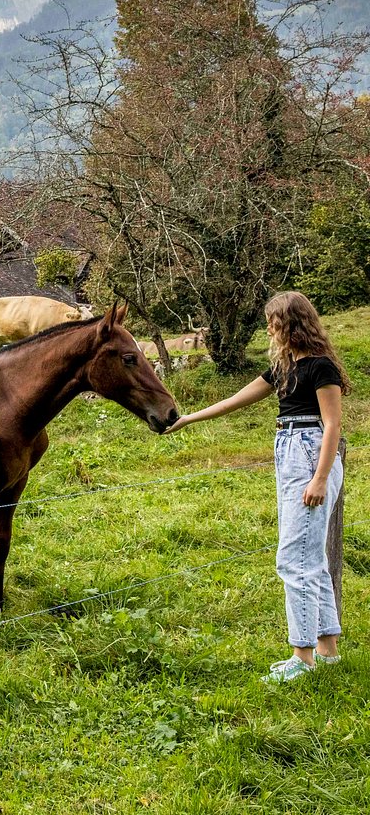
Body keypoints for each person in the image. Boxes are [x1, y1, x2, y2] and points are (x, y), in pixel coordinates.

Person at [167, 291, 347, 683]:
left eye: (273, 321)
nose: (268, 328)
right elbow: (237, 399)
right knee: (309, 556)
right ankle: (327, 649)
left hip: (310, 451)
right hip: (288, 449)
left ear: (290, 322)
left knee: (293, 558)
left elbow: (332, 424)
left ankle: (302, 657)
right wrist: (189, 419)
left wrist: (319, 477)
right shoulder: (284, 367)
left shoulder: (321, 367)